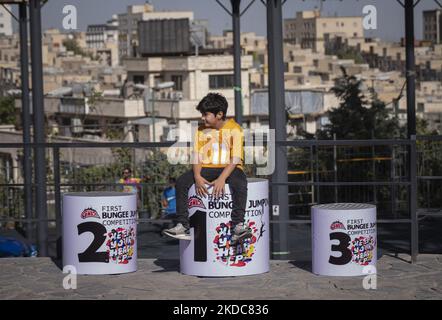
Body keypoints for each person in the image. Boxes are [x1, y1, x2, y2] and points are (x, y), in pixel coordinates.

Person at [163, 93, 250, 243]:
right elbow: (196, 155)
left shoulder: (235, 129)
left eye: (206, 114)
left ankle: (238, 226)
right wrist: (197, 176)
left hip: (230, 167)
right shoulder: (200, 130)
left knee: (240, 183)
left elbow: (235, 159)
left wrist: (222, 178)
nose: (202, 118)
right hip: (207, 167)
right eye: (202, 114)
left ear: (219, 114)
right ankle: (183, 225)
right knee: (182, 182)